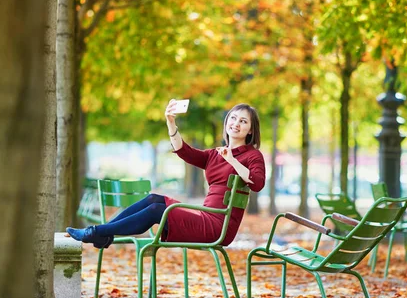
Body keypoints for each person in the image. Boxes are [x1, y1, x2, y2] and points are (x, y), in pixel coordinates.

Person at [66, 100, 266, 248]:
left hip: (217, 226)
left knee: (156, 210)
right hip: (204, 216)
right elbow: (184, 151)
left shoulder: (252, 156)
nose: (236, 123)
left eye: (243, 121)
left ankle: (97, 233)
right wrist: (171, 123)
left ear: (250, 130)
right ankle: (104, 232)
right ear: (226, 122)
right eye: (233, 118)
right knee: (154, 198)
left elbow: (257, 183)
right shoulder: (215, 153)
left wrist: (232, 159)